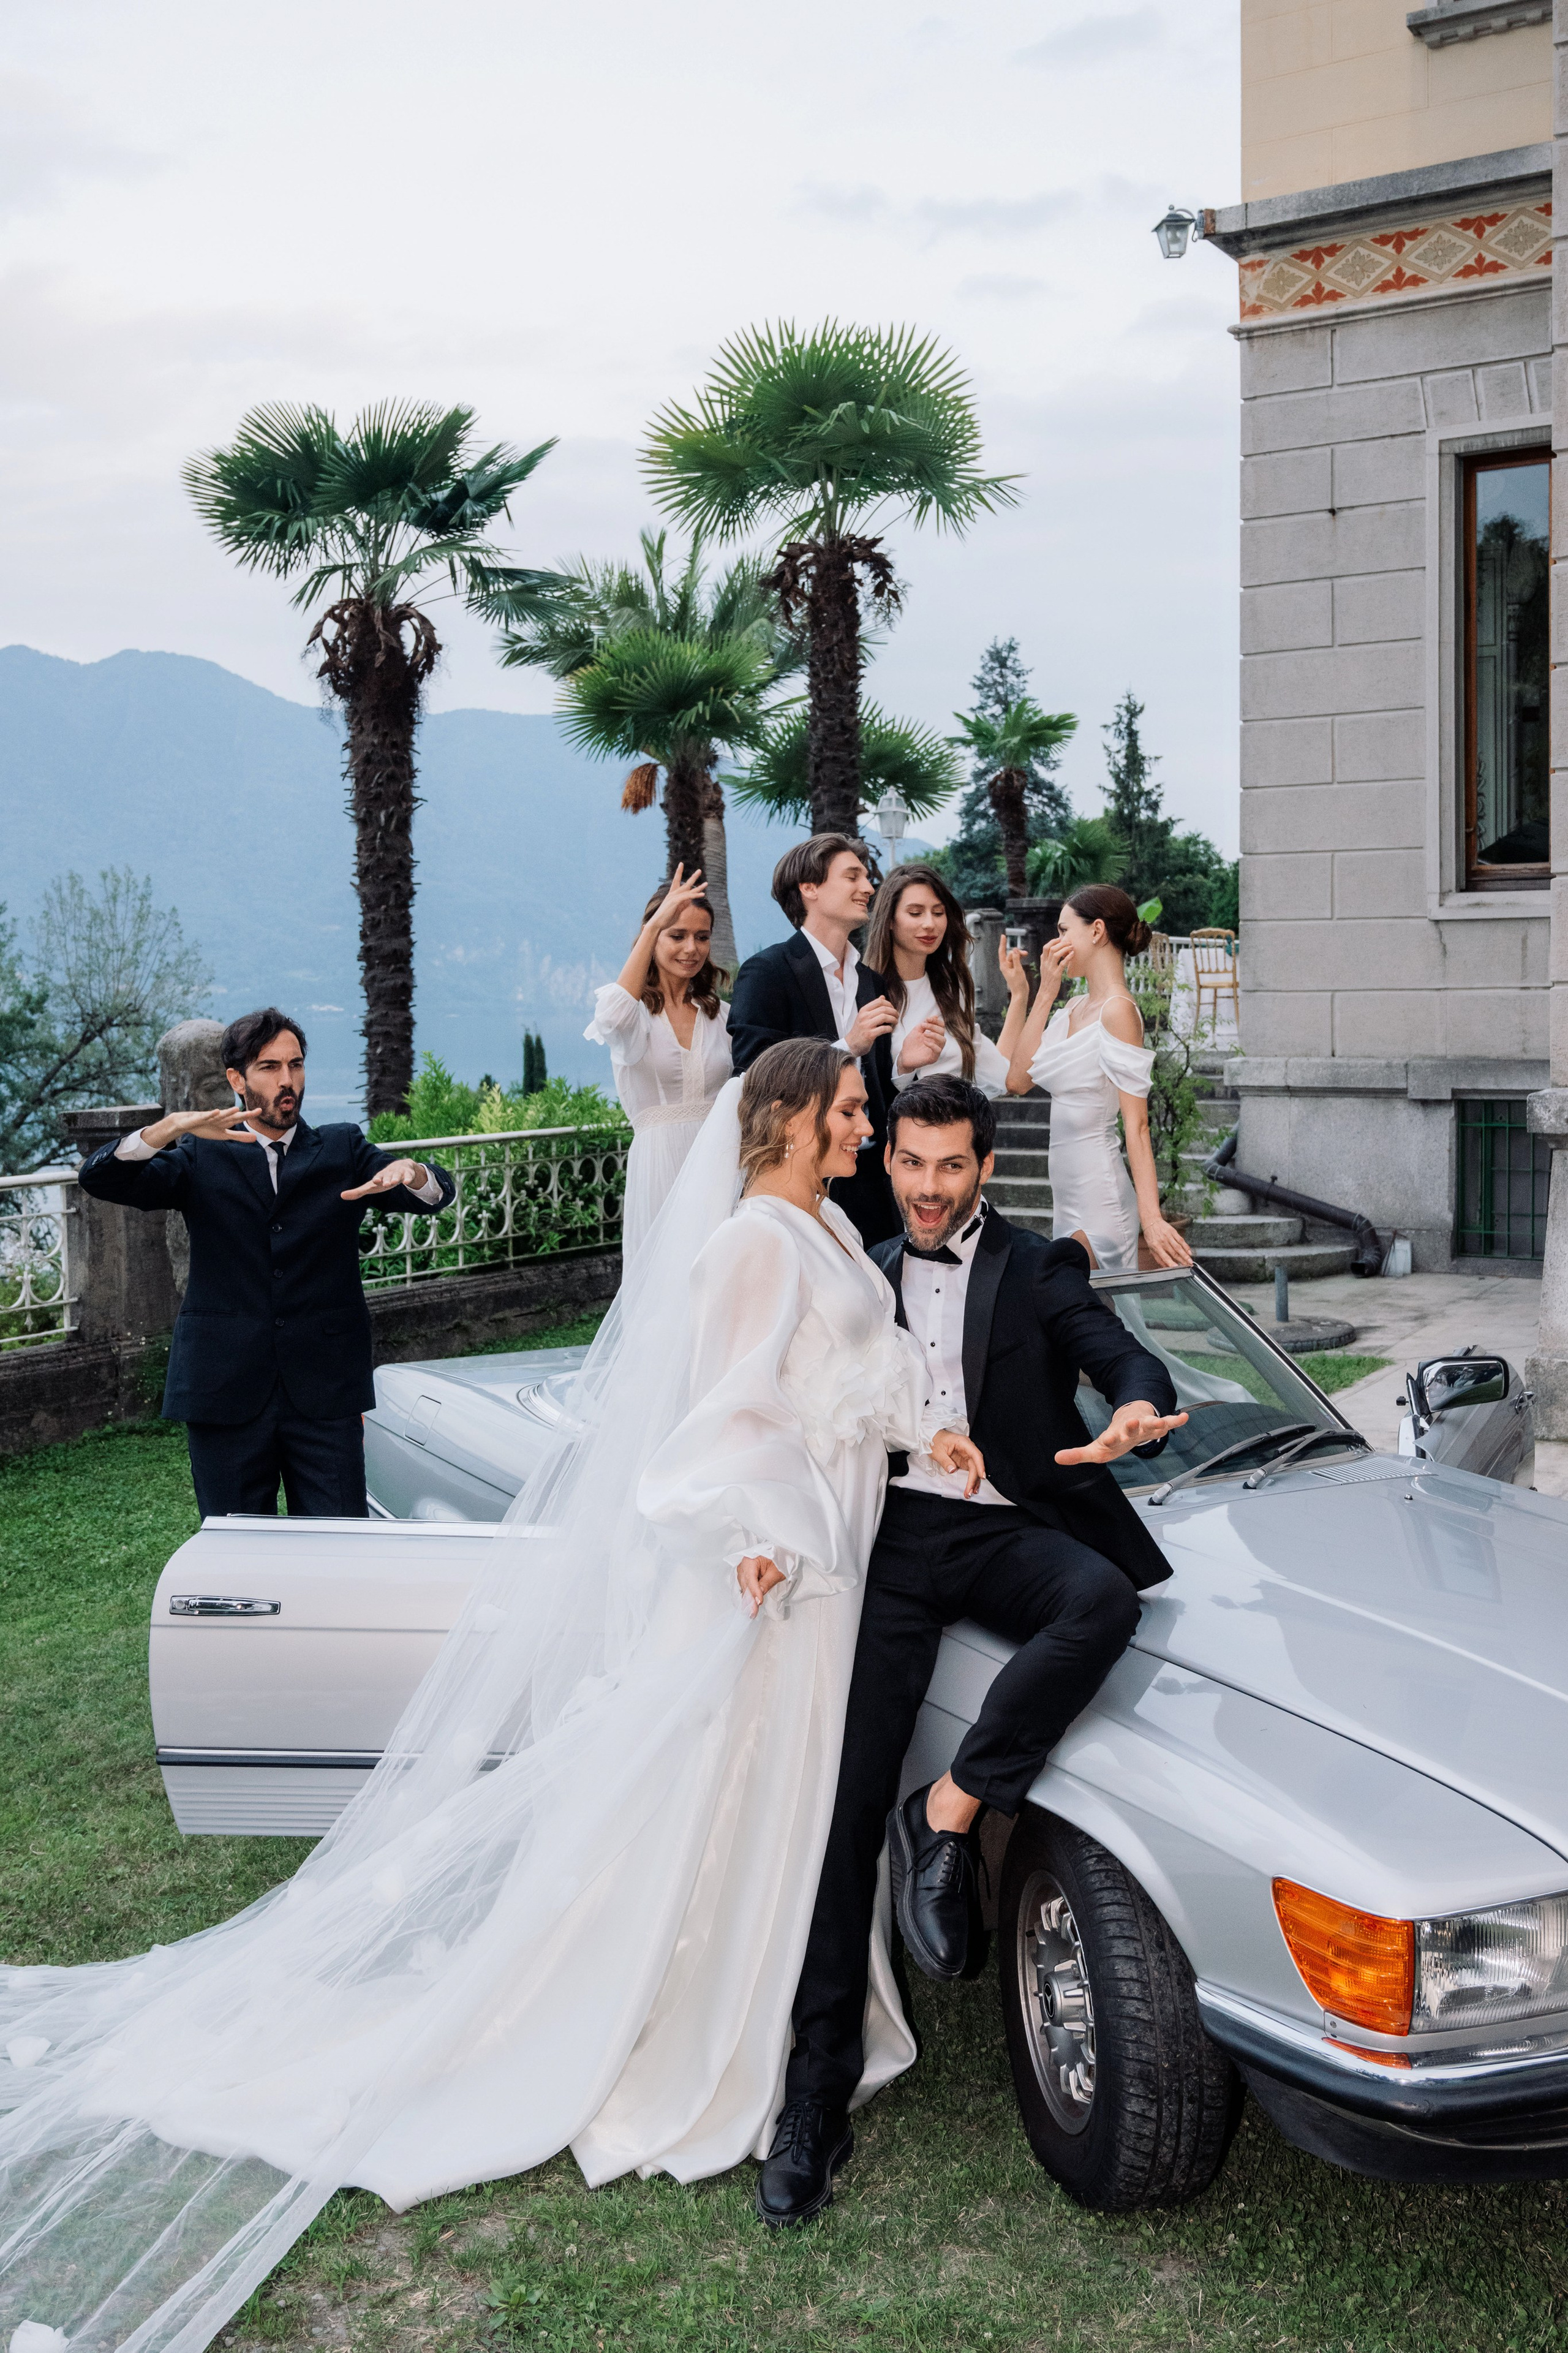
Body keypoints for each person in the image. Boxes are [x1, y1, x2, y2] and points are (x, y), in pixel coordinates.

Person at [0, 1040, 1011, 2347]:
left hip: (833, 1538)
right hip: (780, 1563)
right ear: (789, 1120)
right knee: (749, 1785)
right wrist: (763, 1532)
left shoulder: (819, 1225)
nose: (869, 1121)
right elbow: (721, 1420)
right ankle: (705, 2026)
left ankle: (779, 2011)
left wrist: (920, 1430)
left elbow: (841, 1385)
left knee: (793, 1789)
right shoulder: (753, 1242)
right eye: (852, 1107)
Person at [764, 1072, 1186, 2228]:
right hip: (887, 1538)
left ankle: (948, 1811)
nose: (931, 1188)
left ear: (987, 1167)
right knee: (844, 1809)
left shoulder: (1038, 1264)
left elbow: (1121, 1356)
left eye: (954, 1167)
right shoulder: (847, 1259)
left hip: (1006, 1524)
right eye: (912, 1163)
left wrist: (1137, 1409)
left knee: (1101, 1600)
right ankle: (815, 2102)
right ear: (885, 1159)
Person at [74, 1007, 456, 1519]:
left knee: (337, 1548)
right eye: (270, 1067)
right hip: (224, 1389)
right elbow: (99, 1179)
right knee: (238, 1558)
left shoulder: (341, 1146)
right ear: (237, 1079)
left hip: (325, 1393)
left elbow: (436, 1193)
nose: (287, 1081)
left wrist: (410, 1172)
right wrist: (166, 1128)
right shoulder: (199, 1156)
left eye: (295, 1065)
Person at [1006, 885, 1193, 1273]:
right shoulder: (1074, 1007)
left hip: (1100, 1192)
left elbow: (1137, 1126)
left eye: (1063, 930)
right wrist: (1044, 994)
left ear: (1096, 931)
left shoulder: (1119, 1011)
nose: (1055, 942)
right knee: (1082, 1320)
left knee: (1100, 1316)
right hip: (1067, 1194)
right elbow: (1018, 1082)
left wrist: (1152, 1219)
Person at [729, 834, 901, 1246]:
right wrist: (847, 1046)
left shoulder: (872, 981)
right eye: (852, 876)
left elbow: (876, 1083)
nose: (869, 888)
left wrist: (904, 1064)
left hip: (872, 1181)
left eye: (866, 877)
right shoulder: (767, 972)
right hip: (799, 1178)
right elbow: (752, 1077)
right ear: (810, 888)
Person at [584, 866, 733, 1262]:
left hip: (720, 1161)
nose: (691, 948)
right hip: (658, 1166)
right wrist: (653, 927)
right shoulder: (635, 1019)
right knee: (665, 1279)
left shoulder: (721, 1016)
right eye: (677, 934)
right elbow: (611, 1016)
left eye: (702, 937)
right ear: (654, 937)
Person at [864, 861, 1031, 1099]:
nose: (930, 924)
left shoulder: (952, 991)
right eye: (915, 913)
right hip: (895, 1132)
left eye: (939, 913)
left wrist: (1020, 994)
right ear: (890, 920)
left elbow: (1001, 1074)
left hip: (958, 1129)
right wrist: (904, 1066)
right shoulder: (865, 992)